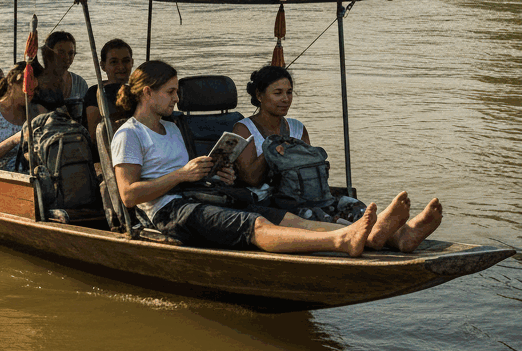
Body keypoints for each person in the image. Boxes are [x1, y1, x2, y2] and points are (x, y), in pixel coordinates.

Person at [110, 59, 438, 257]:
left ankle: (392, 236)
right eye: (170, 92)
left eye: (177, 91)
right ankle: (341, 239)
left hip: (200, 194)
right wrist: (182, 175)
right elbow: (128, 194)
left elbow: (189, 174)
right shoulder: (130, 134)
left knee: (285, 218)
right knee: (256, 223)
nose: (177, 98)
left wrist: (211, 174)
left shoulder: (173, 128)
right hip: (170, 211)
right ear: (147, 93)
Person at [233, 65, 443, 251]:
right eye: (277, 93)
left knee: (351, 205)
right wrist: (271, 150)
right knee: (318, 216)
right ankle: (382, 237)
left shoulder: (297, 127)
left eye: (289, 92)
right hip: (276, 201)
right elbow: (250, 179)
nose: (285, 99)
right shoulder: (245, 129)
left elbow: (311, 168)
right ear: (260, 96)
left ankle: (401, 236)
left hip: (312, 194)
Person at [0, 63, 45, 171]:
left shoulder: (36, 110)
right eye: (28, 88)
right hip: (4, 176)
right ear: (12, 83)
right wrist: (14, 140)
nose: (31, 94)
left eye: (35, 90)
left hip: (34, 173)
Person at [84, 38, 134, 142]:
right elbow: (95, 136)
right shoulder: (96, 92)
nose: (121, 67)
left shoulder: (136, 92)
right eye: (114, 62)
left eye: (126, 61)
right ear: (103, 66)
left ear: (132, 62)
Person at [33, 31, 88, 120]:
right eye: (61, 52)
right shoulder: (36, 83)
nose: (66, 57)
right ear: (49, 53)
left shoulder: (80, 83)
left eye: (71, 53)